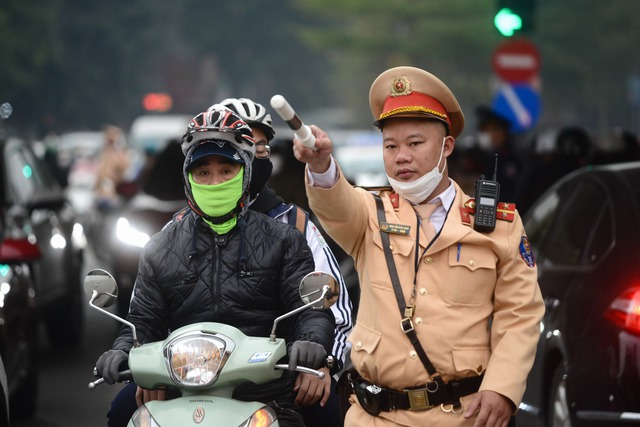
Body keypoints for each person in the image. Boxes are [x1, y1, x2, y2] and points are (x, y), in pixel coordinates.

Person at [291, 66, 545, 426]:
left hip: (462, 416)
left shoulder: (497, 225)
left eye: (415, 143)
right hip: (375, 416)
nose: (401, 157)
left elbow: (520, 314)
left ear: (447, 146)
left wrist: (502, 388)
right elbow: (335, 202)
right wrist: (320, 164)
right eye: (390, 146)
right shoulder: (369, 213)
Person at [95, 106, 336, 427]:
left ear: (246, 173)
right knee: (121, 412)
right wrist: (121, 350)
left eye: (226, 170)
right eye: (203, 172)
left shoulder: (284, 238)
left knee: (330, 411)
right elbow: (143, 322)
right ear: (188, 179)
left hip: (269, 387)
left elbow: (310, 310)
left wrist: (312, 342)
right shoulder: (161, 247)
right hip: (179, 385)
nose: (215, 181)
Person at [217, 97, 354, 427]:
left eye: (257, 146)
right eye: (236, 146)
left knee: (328, 410)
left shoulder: (294, 224)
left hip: (280, 373)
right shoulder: (176, 228)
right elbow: (147, 311)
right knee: (125, 409)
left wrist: (324, 362)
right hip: (194, 370)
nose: (248, 155)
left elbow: (333, 312)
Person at [94, 124, 130, 212]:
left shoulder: (120, 154)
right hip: (101, 194)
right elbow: (99, 174)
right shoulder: (103, 153)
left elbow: (123, 171)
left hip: (115, 194)